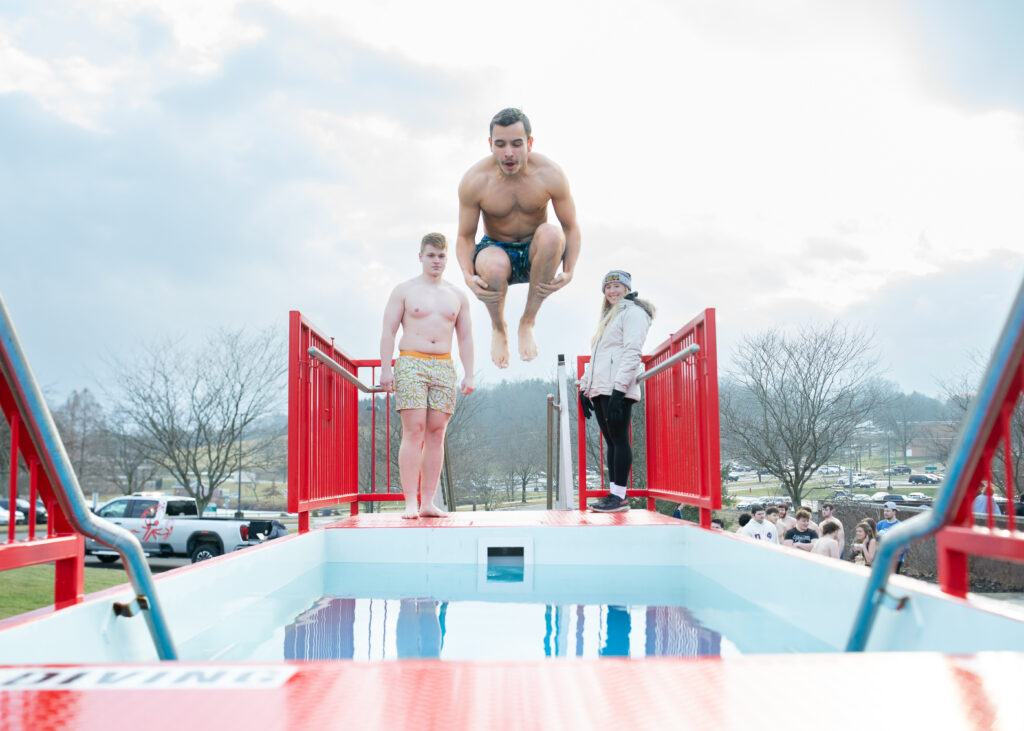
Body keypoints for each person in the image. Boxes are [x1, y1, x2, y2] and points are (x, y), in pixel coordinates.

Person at [457, 108, 582, 367]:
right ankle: (498, 327)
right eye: (500, 145)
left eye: (516, 144)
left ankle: (528, 321)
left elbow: (570, 227)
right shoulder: (475, 180)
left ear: (530, 143)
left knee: (551, 234)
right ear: (491, 145)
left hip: (536, 251)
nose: (509, 153)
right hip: (496, 247)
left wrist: (569, 270)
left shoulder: (549, 174)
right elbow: (465, 236)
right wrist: (468, 275)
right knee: (492, 266)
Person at [380, 233, 474, 519]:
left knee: (436, 433)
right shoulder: (404, 290)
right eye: (431, 255)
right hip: (411, 362)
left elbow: (466, 337)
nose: (437, 260)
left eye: (442, 255)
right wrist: (386, 368)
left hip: (444, 365)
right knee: (415, 430)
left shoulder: (457, 295)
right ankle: (410, 501)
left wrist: (469, 373)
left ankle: (428, 502)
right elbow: (388, 331)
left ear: (447, 258)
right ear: (421, 256)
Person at [578, 271, 655, 512]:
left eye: (617, 286)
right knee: (611, 441)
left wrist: (619, 391)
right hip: (602, 387)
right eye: (608, 287)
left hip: (615, 387)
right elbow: (598, 358)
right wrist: (584, 388)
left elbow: (633, 352)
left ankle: (620, 497)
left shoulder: (633, 313)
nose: (612, 291)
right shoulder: (609, 316)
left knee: (619, 440)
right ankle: (614, 494)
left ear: (627, 289)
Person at [876, 501, 907, 573]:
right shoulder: (880, 524)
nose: (885, 513)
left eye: (888, 511)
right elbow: (876, 541)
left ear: (894, 512)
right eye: (884, 511)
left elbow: (906, 545)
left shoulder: (900, 526)